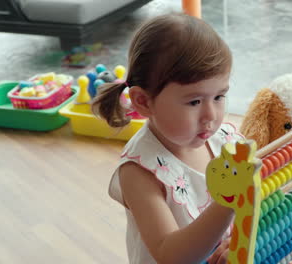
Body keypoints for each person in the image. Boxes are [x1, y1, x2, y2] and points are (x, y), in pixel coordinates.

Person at [92, 13, 241, 264]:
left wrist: (237, 241)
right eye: (194, 101)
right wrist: (229, 201)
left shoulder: (224, 140)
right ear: (143, 101)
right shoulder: (139, 171)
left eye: (219, 97)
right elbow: (169, 254)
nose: (211, 116)